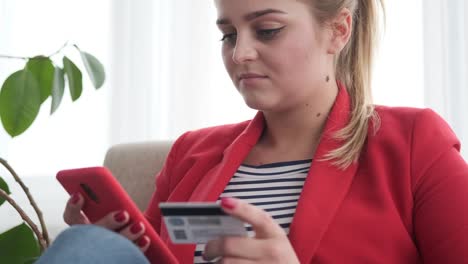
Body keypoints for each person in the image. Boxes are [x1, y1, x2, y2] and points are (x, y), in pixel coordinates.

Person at [37, 0, 468, 263]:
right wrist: (113, 245)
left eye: (267, 31)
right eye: (228, 35)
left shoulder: (414, 144)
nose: (240, 53)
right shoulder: (192, 153)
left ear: (338, 31)